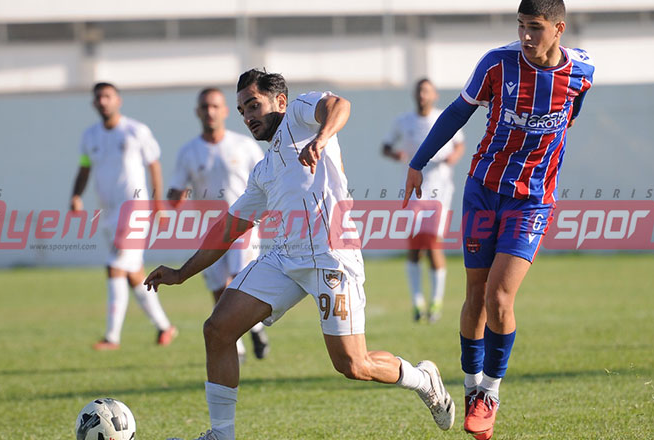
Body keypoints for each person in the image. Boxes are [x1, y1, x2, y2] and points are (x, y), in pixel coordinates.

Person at [145, 69, 455, 440]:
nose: (247, 116)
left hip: (331, 257)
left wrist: (322, 138)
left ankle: (423, 379)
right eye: (242, 109)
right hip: (283, 260)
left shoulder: (299, 115)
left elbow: (339, 105)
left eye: (253, 105)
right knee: (217, 329)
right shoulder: (263, 170)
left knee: (352, 364)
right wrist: (182, 272)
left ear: (279, 101)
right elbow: (228, 228)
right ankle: (221, 434)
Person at [402, 1, 594, 438]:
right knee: (475, 294)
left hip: (531, 203)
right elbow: (456, 111)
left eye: (536, 28)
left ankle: (490, 390)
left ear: (559, 28)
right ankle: (470, 388)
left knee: (499, 299)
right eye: (522, 26)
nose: (527, 36)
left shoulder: (582, 70)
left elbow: (573, 110)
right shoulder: (497, 64)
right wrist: (418, 161)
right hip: (483, 192)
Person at [70, 82, 176, 350]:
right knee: (132, 274)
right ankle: (165, 327)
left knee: (114, 266)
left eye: (107, 96)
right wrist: (76, 195)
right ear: (94, 104)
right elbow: (84, 167)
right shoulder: (89, 136)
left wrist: (158, 202)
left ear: (118, 100)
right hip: (108, 212)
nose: (103, 101)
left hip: (135, 207)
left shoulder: (135, 131)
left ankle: (111, 337)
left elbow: (154, 165)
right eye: (98, 98)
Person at [168, 87, 270, 362]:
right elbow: (175, 190)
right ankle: (236, 346)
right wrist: (173, 200)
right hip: (207, 230)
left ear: (225, 111)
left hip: (241, 226)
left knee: (240, 283)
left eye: (215, 106)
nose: (210, 112)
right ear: (197, 112)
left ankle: (256, 329)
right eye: (204, 107)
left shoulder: (243, 145)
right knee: (218, 289)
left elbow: (266, 179)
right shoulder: (189, 152)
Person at [382, 78, 465, 323]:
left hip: (439, 188)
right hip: (413, 188)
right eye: (419, 91)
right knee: (415, 246)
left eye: (426, 91)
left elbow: (459, 144)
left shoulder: (444, 117)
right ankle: (417, 301)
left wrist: (453, 157)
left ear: (434, 95)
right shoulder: (403, 121)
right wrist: (395, 153)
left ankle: (436, 303)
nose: (422, 96)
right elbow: (386, 146)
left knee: (433, 243)